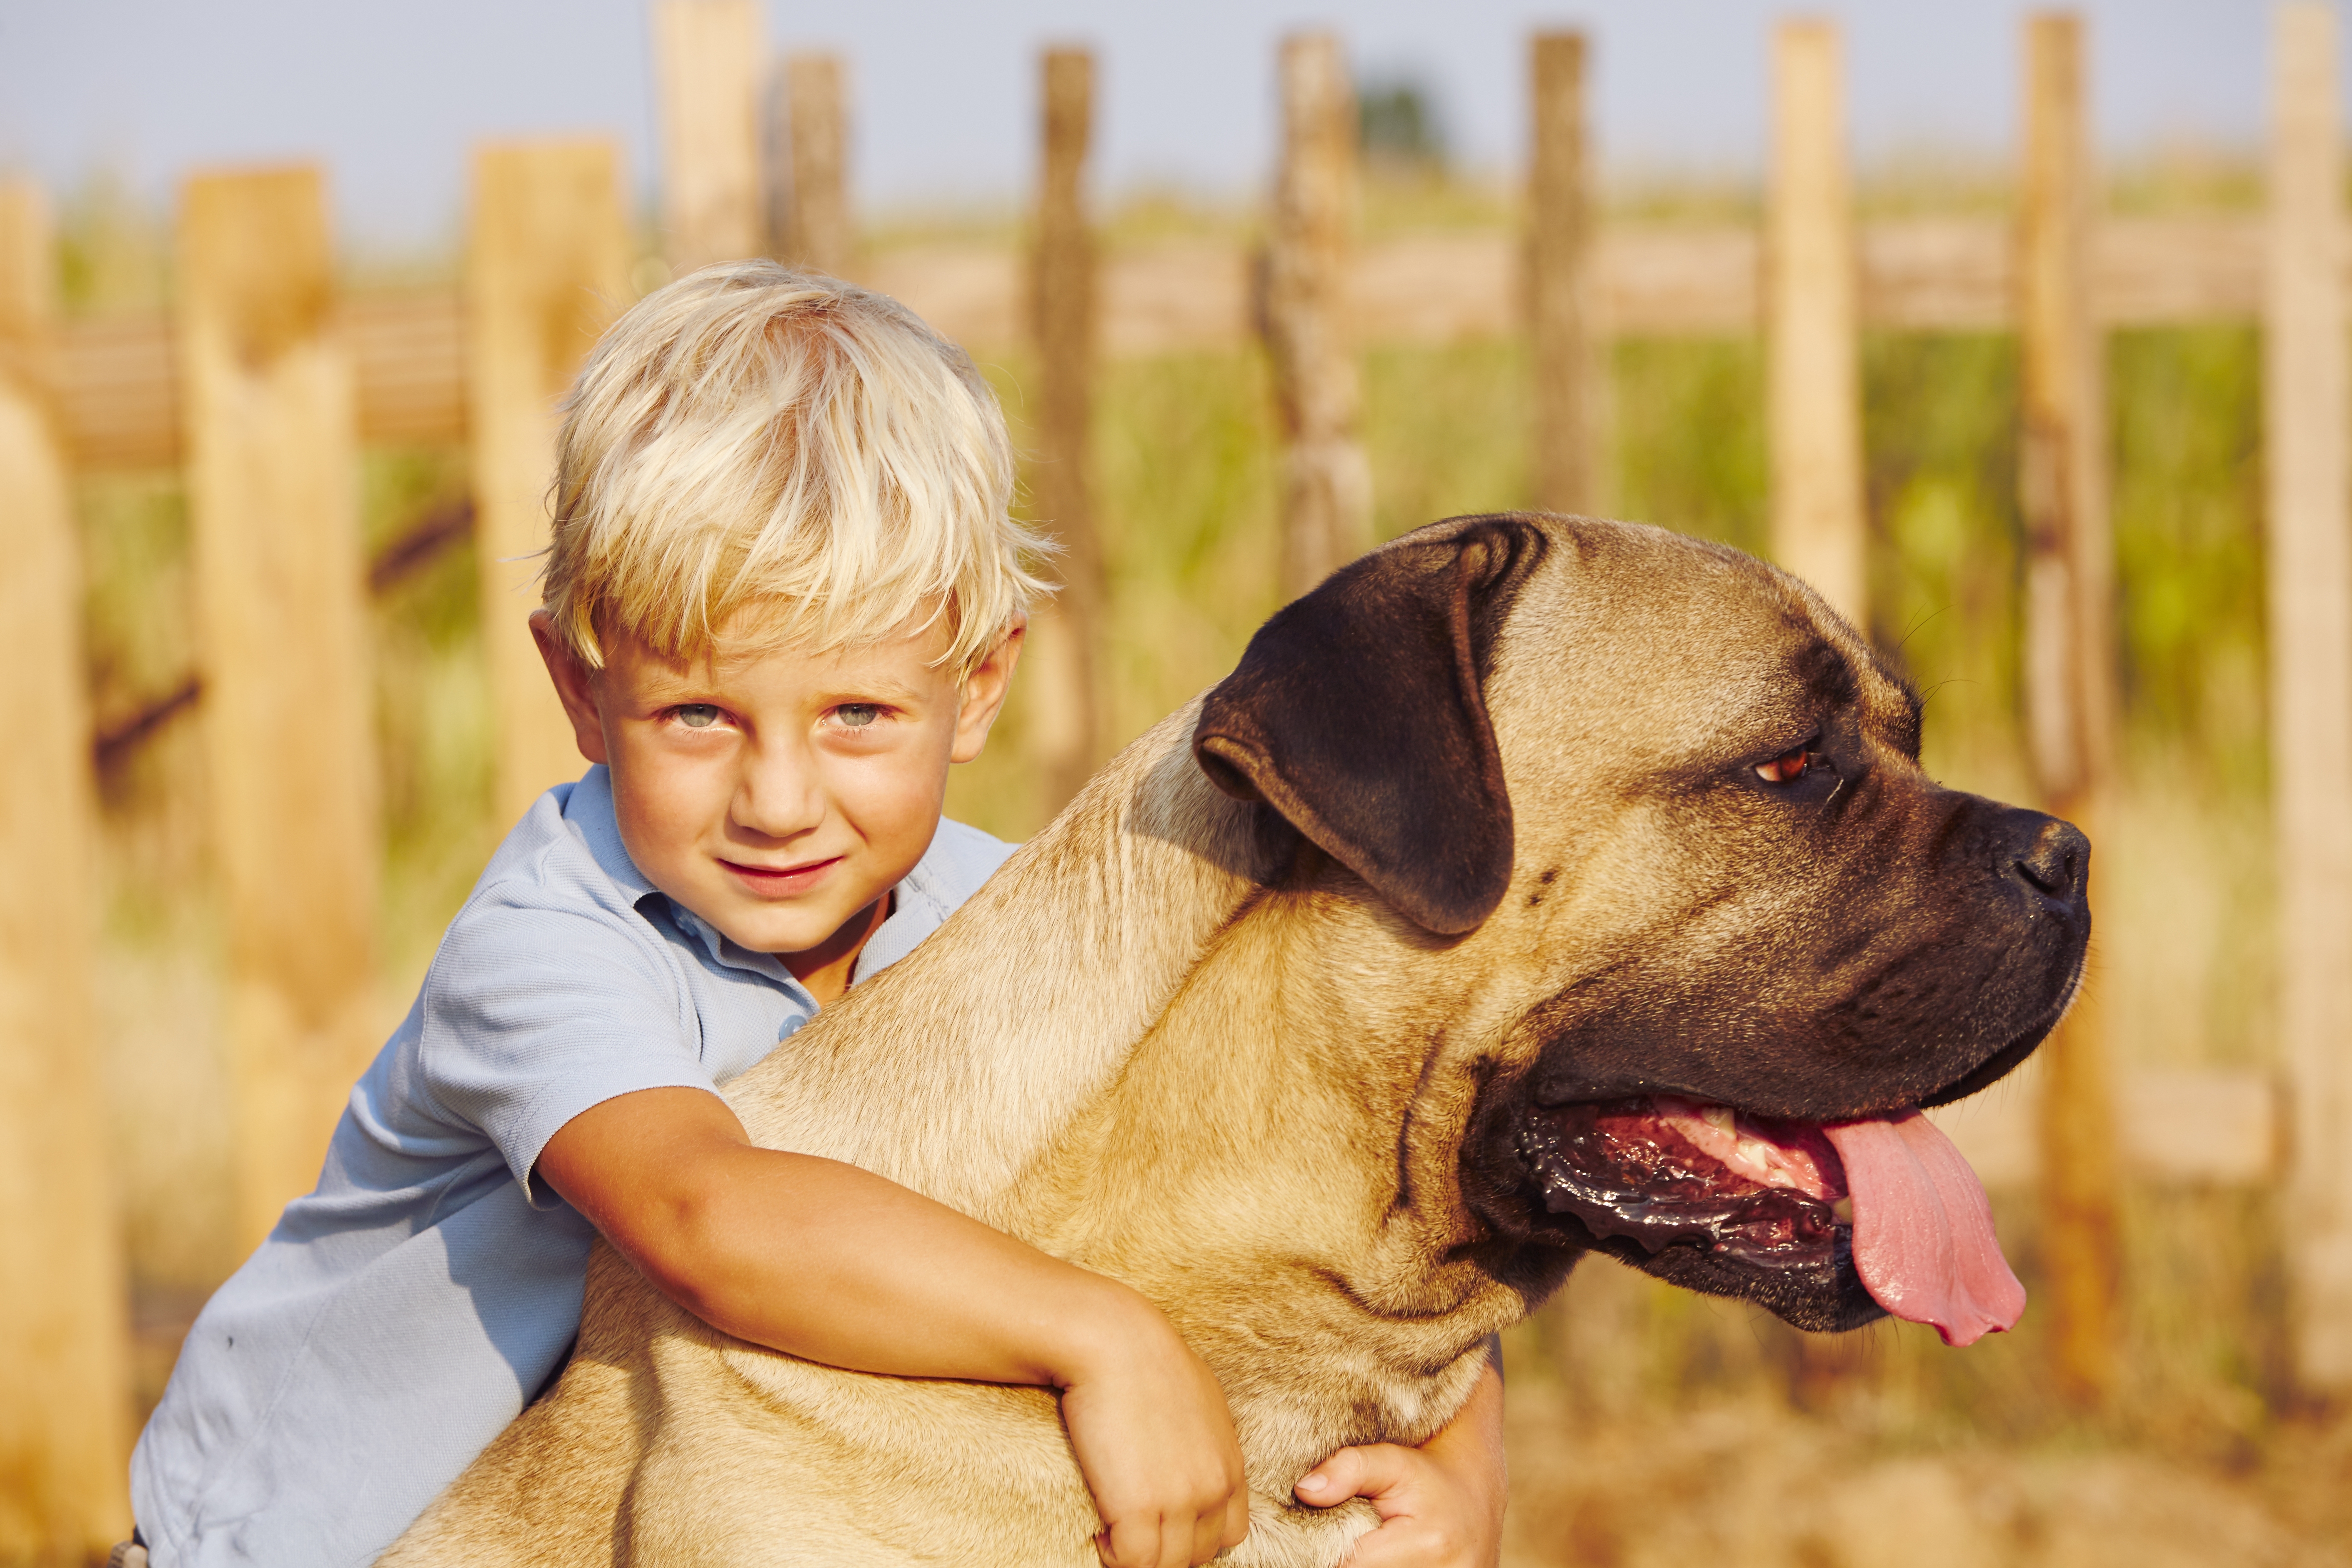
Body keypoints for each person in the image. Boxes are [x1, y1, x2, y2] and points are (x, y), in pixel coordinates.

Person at [127, 263, 1506, 1568]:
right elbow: (706, 1211)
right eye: (697, 715)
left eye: (857, 714)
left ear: (976, 683)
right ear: (578, 687)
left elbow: (1327, 1183)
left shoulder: (1012, 925)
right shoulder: (551, 938)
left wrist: (1460, 1459)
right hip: (314, 1530)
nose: (778, 799)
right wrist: (1106, 1334)